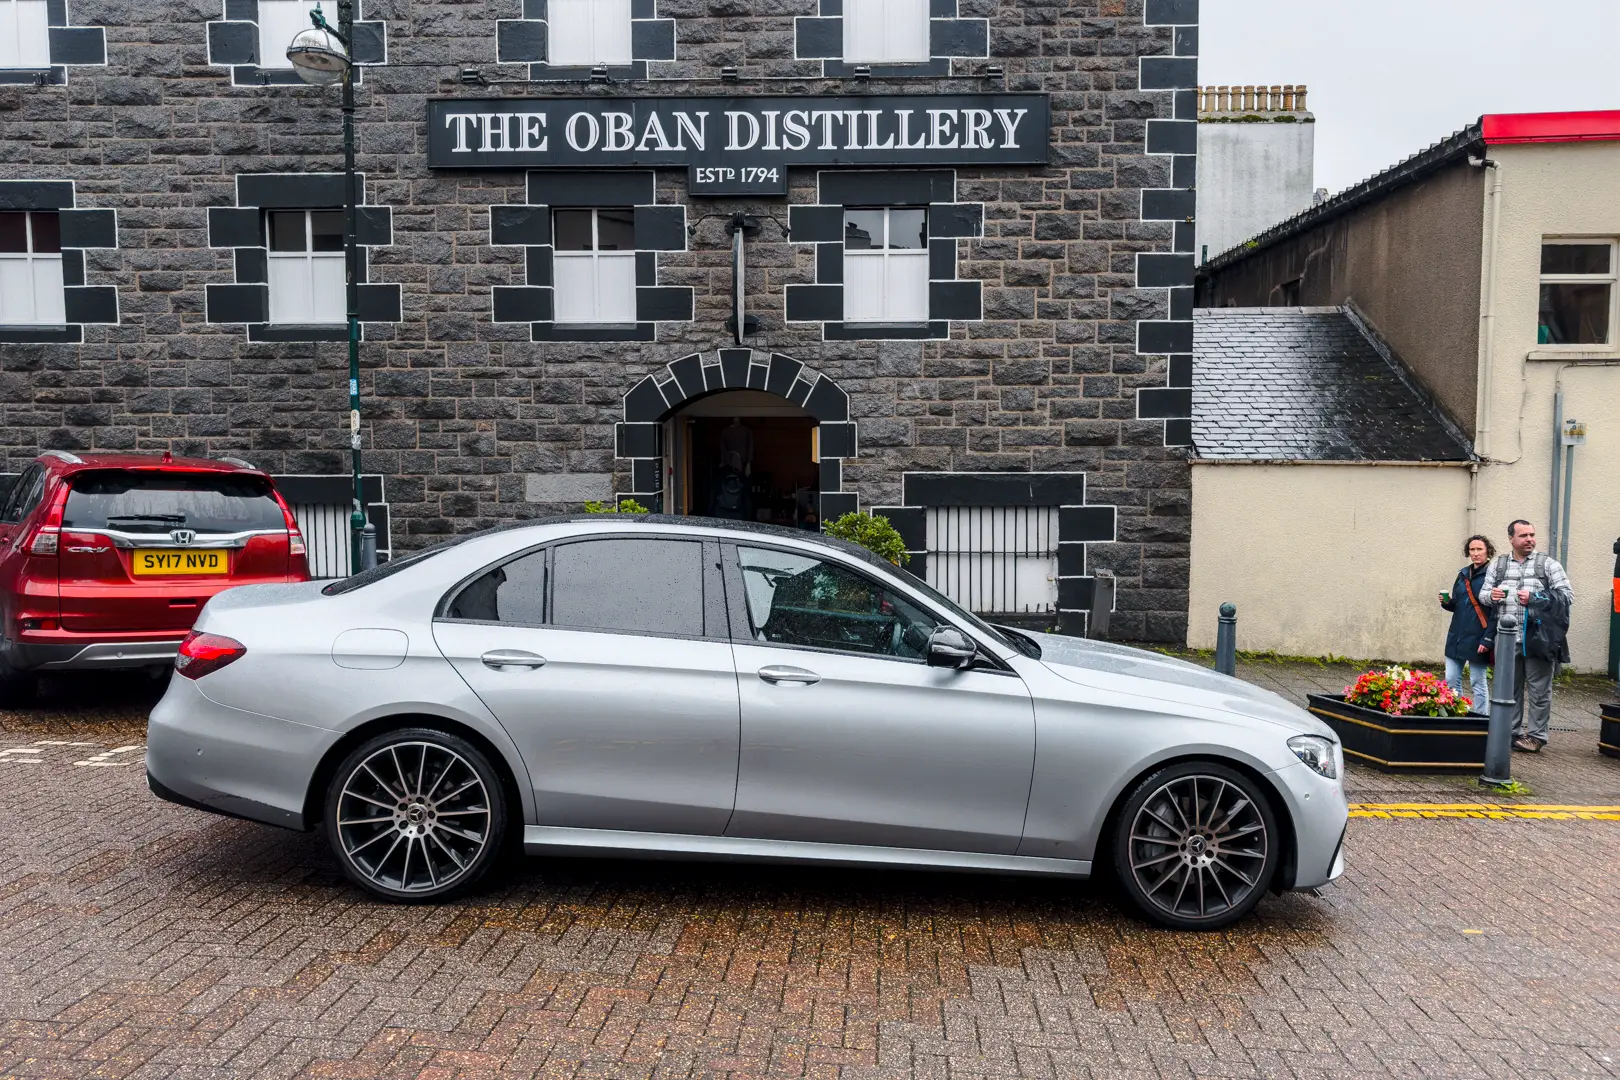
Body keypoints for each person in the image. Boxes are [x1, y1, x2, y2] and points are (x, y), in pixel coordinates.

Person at [1480, 520, 1574, 753]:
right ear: (1511, 539)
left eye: (1532, 534)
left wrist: (1535, 598)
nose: (1529, 539)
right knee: (1507, 690)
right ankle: (1509, 733)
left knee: (1539, 691)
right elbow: (1483, 595)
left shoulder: (1548, 564)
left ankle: (1536, 736)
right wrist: (1492, 596)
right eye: (1523, 536)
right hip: (1506, 637)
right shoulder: (1499, 565)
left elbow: (1567, 597)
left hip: (1538, 638)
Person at [1439, 535, 1496, 711]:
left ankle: (1481, 718)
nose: (1475, 553)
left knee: (1477, 681)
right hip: (1457, 635)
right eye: (1472, 549)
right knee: (1451, 679)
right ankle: (1458, 713)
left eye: (1479, 549)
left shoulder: (1493, 576)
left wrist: (1488, 639)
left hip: (1479, 636)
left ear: (1487, 551)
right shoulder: (1463, 574)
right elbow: (1457, 604)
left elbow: (1496, 612)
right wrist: (1446, 602)